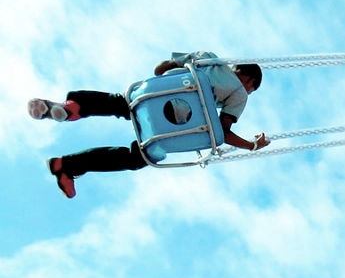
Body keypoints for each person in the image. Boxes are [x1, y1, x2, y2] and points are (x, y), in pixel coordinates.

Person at [29, 51, 270, 199]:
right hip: (175, 126)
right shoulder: (239, 93)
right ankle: (67, 165)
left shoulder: (208, 58)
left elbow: (161, 69)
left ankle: (73, 106)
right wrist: (251, 145)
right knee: (138, 157)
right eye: (251, 88)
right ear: (248, 81)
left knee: (121, 103)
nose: (248, 91)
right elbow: (222, 131)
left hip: (153, 99)